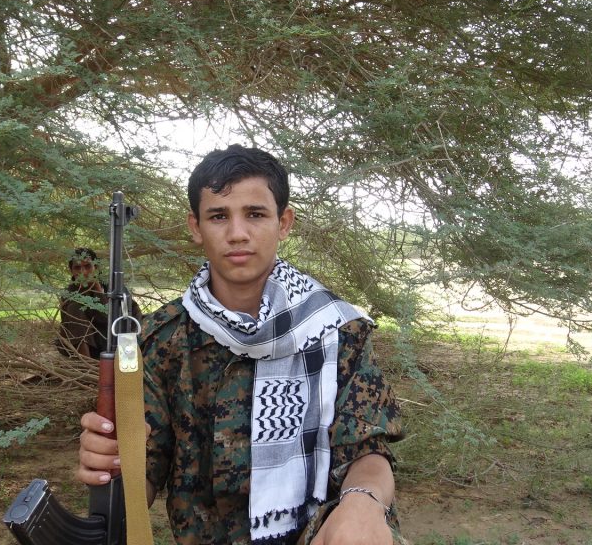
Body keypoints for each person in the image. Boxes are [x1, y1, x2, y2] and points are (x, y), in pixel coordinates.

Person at [77, 145, 404, 544]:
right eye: (219, 216)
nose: (237, 233)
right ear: (196, 227)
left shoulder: (337, 329)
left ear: (284, 222)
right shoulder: (161, 338)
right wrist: (113, 465)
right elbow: (143, 470)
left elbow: (369, 451)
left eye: (255, 214)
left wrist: (364, 502)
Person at [57, 247, 141, 358]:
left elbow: (117, 318)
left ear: (95, 267)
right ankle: (86, 363)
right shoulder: (69, 294)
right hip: (82, 347)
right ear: (71, 271)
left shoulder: (113, 288)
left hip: (113, 340)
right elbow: (73, 329)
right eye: (77, 268)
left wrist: (98, 291)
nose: (83, 272)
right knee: (74, 308)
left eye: (88, 266)